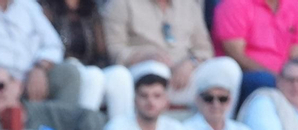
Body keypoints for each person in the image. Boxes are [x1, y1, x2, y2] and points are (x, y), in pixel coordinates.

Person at [103, 0, 244, 107]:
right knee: (155, 69)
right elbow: (114, 51)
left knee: (228, 67)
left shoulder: (189, 4)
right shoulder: (120, 3)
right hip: (143, 76)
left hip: (183, 77)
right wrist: (144, 56)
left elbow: (204, 49)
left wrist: (190, 63)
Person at [212, 0, 298, 111]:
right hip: (249, 74)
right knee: (264, 80)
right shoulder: (234, 4)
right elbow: (236, 55)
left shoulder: (294, 5)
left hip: (285, 74)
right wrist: (279, 78)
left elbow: (297, 54)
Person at [42, 0, 132, 117]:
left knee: (120, 75)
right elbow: (47, 46)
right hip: (63, 67)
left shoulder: (91, 7)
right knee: (93, 76)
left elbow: (101, 52)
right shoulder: (46, 6)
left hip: (90, 66)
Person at [182, 68, 259, 130]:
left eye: (222, 99)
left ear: (230, 101)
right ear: (198, 100)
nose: (216, 104)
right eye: (209, 98)